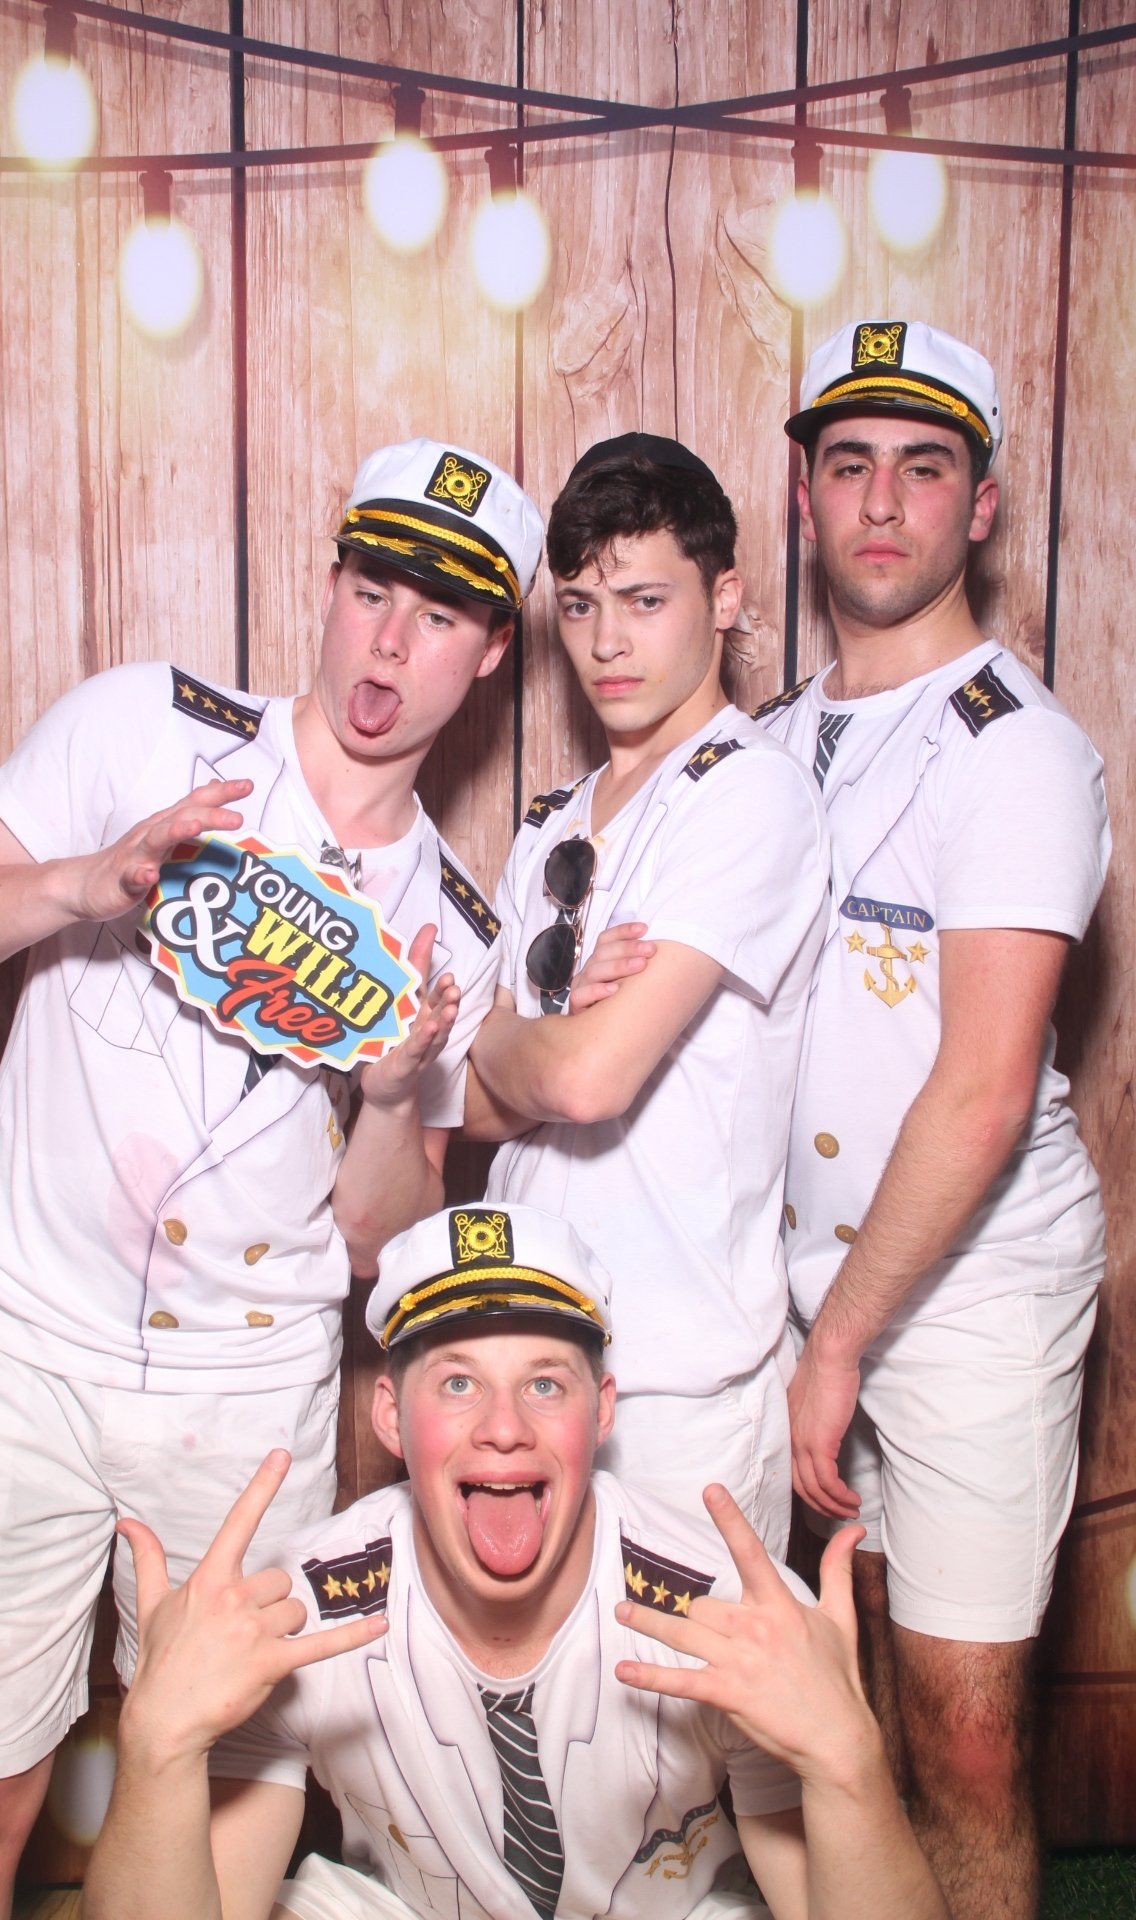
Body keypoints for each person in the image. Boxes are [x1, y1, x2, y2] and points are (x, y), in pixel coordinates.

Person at [0, 437, 543, 1920]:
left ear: (490, 653)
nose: (389, 643)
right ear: (330, 582)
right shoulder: (144, 728)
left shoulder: (454, 930)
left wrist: (387, 1099)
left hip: (243, 1398)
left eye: (438, 617)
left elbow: (381, 1242)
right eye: (373, 591)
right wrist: (84, 883)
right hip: (19, 1345)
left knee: (224, 1823)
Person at [83, 1199, 949, 1920]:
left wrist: (850, 1761)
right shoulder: (295, 1615)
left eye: (544, 1383)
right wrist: (156, 1747)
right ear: (390, 1417)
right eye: (457, 1383)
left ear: (601, 1413)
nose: (504, 1427)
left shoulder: (725, 1613)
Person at [755, 320, 1110, 1920]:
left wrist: (836, 1345)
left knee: (964, 1738)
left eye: (924, 466)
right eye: (849, 465)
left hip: (962, 1290)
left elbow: (980, 1091)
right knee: (840, 1719)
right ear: (806, 499)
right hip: (795, 1278)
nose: (883, 502)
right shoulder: (765, 740)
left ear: (982, 504)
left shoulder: (1018, 748)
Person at [463, 433, 830, 1546]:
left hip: (682, 1387)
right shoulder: (548, 824)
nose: (606, 642)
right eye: (579, 606)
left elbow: (585, 1084)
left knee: (693, 1672)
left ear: (723, 599)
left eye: (644, 600)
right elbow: (463, 1112)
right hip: (532, 1361)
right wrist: (548, 1036)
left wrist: (505, 1035)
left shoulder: (749, 794)